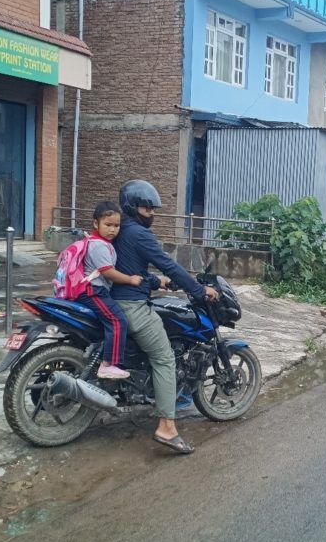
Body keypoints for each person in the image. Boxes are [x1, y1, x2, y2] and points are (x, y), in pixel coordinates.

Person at [112, 180, 219, 455]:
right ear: (133, 207)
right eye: (147, 207)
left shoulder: (120, 230)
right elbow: (169, 263)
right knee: (164, 358)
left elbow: (126, 267)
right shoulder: (139, 234)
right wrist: (197, 289)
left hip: (117, 298)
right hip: (131, 305)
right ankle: (167, 427)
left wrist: (154, 281)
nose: (152, 212)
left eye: (153, 207)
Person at [76, 201, 142, 380]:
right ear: (96, 223)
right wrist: (131, 279)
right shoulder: (98, 245)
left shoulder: (102, 243)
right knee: (118, 320)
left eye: (116, 226)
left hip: (95, 291)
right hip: (93, 291)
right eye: (108, 225)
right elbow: (108, 272)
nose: (112, 229)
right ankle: (108, 364)